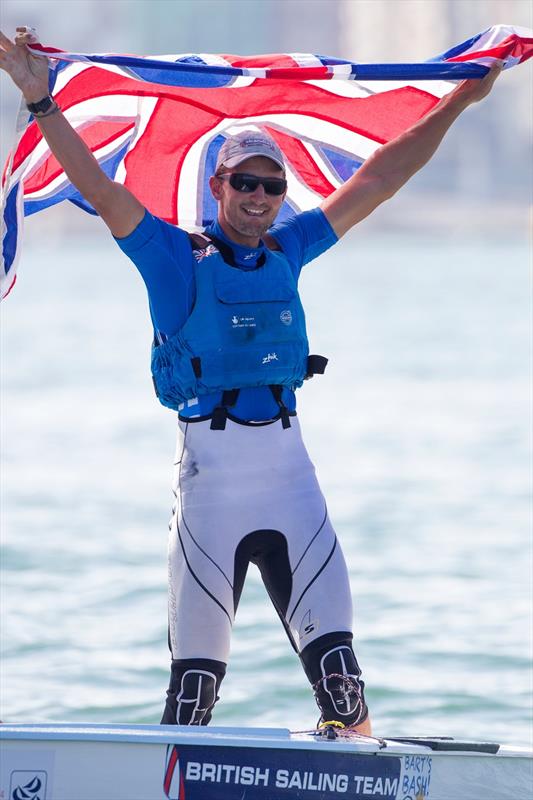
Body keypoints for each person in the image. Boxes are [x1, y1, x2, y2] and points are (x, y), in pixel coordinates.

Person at [0, 28, 501, 734]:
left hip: (293, 484)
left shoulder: (289, 251)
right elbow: (100, 188)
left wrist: (461, 100)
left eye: (271, 185)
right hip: (211, 491)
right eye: (245, 183)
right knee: (193, 696)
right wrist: (40, 98)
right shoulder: (172, 258)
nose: (260, 196)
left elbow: (382, 178)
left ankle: (367, 773)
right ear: (218, 186)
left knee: (343, 687)